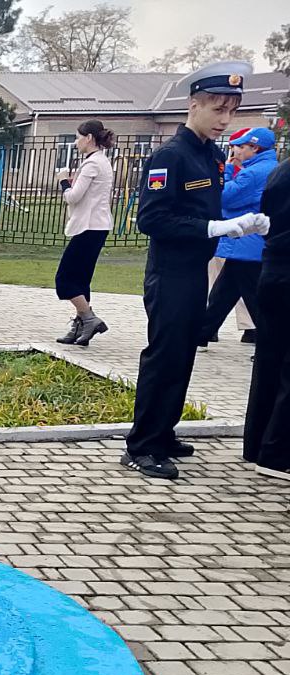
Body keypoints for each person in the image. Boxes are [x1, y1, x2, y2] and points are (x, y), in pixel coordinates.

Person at [120, 61, 270, 481]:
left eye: (231, 111)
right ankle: (141, 446)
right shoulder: (171, 155)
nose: (225, 120)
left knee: (184, 353)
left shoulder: (212, 155)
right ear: (194, 106)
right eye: (217, 109)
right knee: (164, 355)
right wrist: (214, 228)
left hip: (194, 270)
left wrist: (241, 223)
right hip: (169, 272)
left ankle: (163, 432)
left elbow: (207, 206)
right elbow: (152, 219)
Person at [199, 127, 278, 349]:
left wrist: (227, 171)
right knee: (224, 292)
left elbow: (224, 197)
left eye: (241, 146)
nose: (236, 150)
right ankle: (202, 333)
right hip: (249, 243)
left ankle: (272, 343)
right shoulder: (270, 167)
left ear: (255, 148)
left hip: (246, 242)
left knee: (254, 298)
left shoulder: (252, 173)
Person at [245, 153, 290, 482]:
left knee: (269, 360)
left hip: (273, 267)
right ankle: (277, 454)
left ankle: (257, 444)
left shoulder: (280, 170)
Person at [55, 119, 115, 348]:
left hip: (89, 227)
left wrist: (63, 181)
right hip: (97, 226)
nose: (76, 142)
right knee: (81, 279)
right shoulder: (102, 161)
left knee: (64, 279)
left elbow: (73, 197)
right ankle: (81, 327)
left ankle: (89, 319)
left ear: (89, 138)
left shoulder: (92, 164)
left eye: (78, 137)